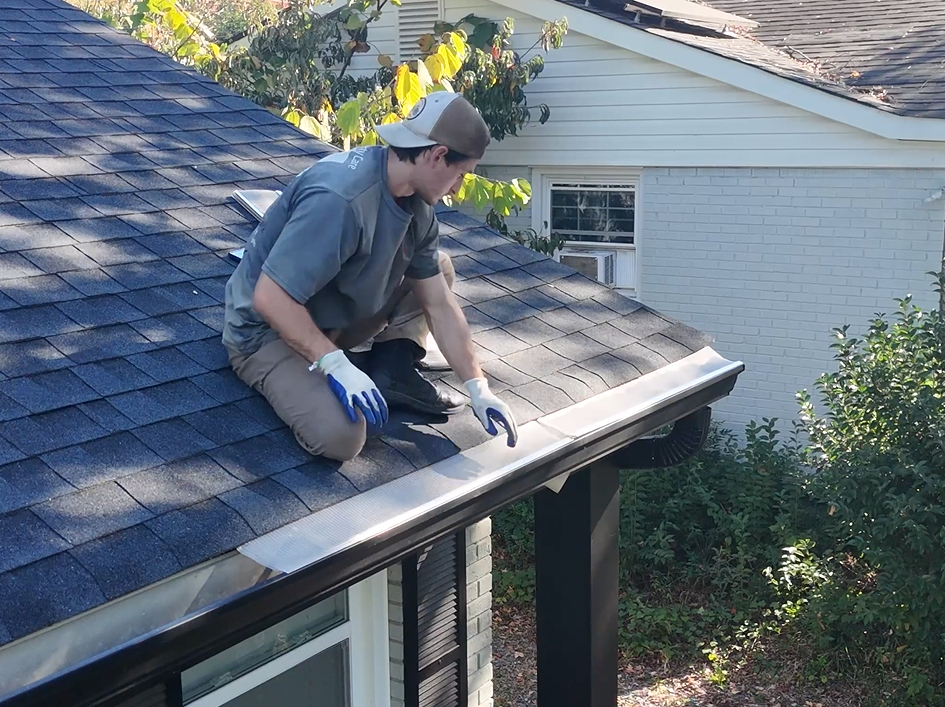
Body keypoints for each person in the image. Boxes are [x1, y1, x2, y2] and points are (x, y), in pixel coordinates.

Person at [222, 92, 518, 461]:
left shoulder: (415, 203)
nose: (458, 189)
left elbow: (439, 305)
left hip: (332, 315)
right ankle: (323, 364)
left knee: (437, 269)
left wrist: (478, 387)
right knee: (341, 437)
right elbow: (270, 299)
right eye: (460, 175)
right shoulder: (340, 200)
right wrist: (335, 364)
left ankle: (391, 371)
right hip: (267, 333)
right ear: (438, 154)